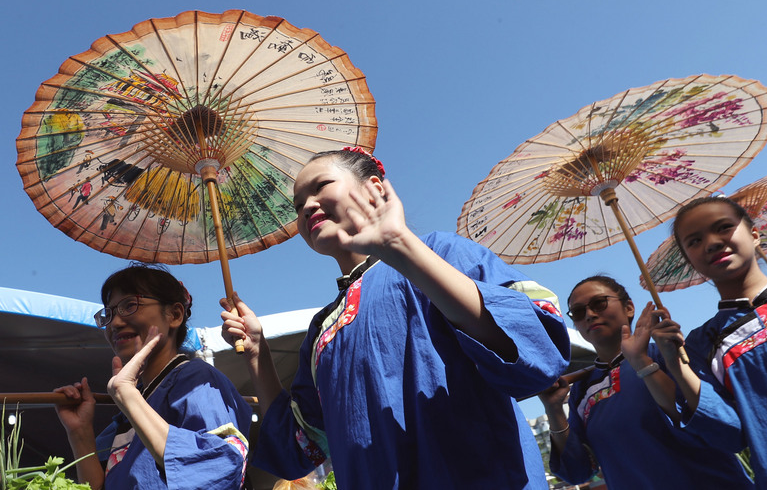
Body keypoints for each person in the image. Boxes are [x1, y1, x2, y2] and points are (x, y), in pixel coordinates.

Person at [220, 147, 571, 489]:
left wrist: (399, 244)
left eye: (320, 187)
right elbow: (295, 450)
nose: (306, 206)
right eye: (298, 206)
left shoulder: (442, 252)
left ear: (374, 188)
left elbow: (537, 349)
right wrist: (257, 355)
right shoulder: (321, 331)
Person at [539, 275, 754, 489]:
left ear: (629, 307)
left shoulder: (670, 354)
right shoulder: (581, 390)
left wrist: (644, 363)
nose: (589, 314)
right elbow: (577, 472)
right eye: (578, 312)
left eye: (599, 303)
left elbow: (725, 429)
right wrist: (554, 410)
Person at [55, 264, 252, 490]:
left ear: (175, 315)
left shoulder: (196, 380)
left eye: (130, 305)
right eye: (108, 314)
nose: (115, 323)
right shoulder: (126, 414)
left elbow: (219, 468)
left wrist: (127, 394)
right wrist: (80, 432)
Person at [649, 196, 767, 487]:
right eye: (694, 241)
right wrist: (676, 366)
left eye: (724, 227)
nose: (712, 243)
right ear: (689, 260)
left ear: (754, 234)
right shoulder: (698, 345)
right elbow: (729, 436)